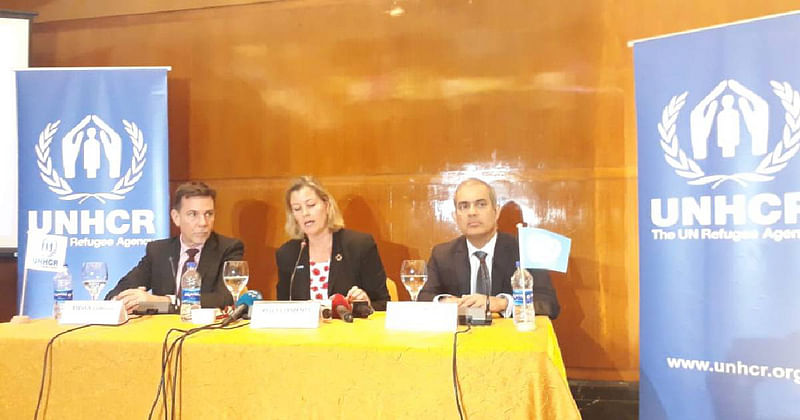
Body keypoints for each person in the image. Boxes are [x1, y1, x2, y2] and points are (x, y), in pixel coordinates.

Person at [418, 178, 560, 319]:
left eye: (480, 204)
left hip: (510, 339)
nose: (472, 212)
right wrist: (446, 302)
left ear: (496, 211)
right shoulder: (443, 254)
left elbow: (549, 304)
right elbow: (422, 297)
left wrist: (503, 303)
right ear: (455, 216)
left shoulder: (523, 250)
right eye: (464, 206)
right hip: (460, 338)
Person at [105, 181, 244, 313]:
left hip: (207, 333)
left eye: (209, 214)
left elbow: (225, 298)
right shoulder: (158, 251)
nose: (203, 222)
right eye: (193, 214)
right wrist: (124, 300)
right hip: (159, 333)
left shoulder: (228, 248)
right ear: (176, 217)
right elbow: (117, 292)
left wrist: (165, 301)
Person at [275, 176, 390, 311]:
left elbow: (384, 304)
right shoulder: (288, 253)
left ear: (327, 205)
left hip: (349, 330)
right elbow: (282, 309)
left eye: (311, 205)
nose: (305, 213)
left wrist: (366, 303)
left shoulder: (359, 246)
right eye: (297, 209)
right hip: (305, 332)